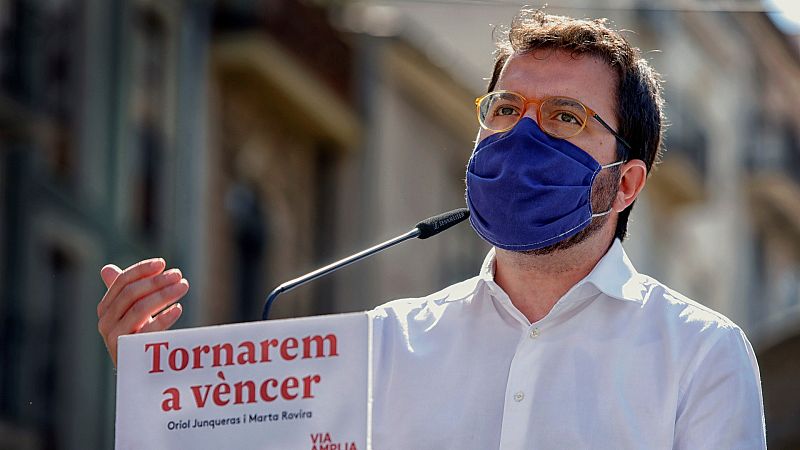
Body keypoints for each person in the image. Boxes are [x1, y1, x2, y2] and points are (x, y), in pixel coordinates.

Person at [97, 10, 766, 449]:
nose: (521, 137)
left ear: (625, 184)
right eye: (505, 108)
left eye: (565, 117)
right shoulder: (384, 345)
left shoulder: (700, 355)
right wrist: (160, 388)